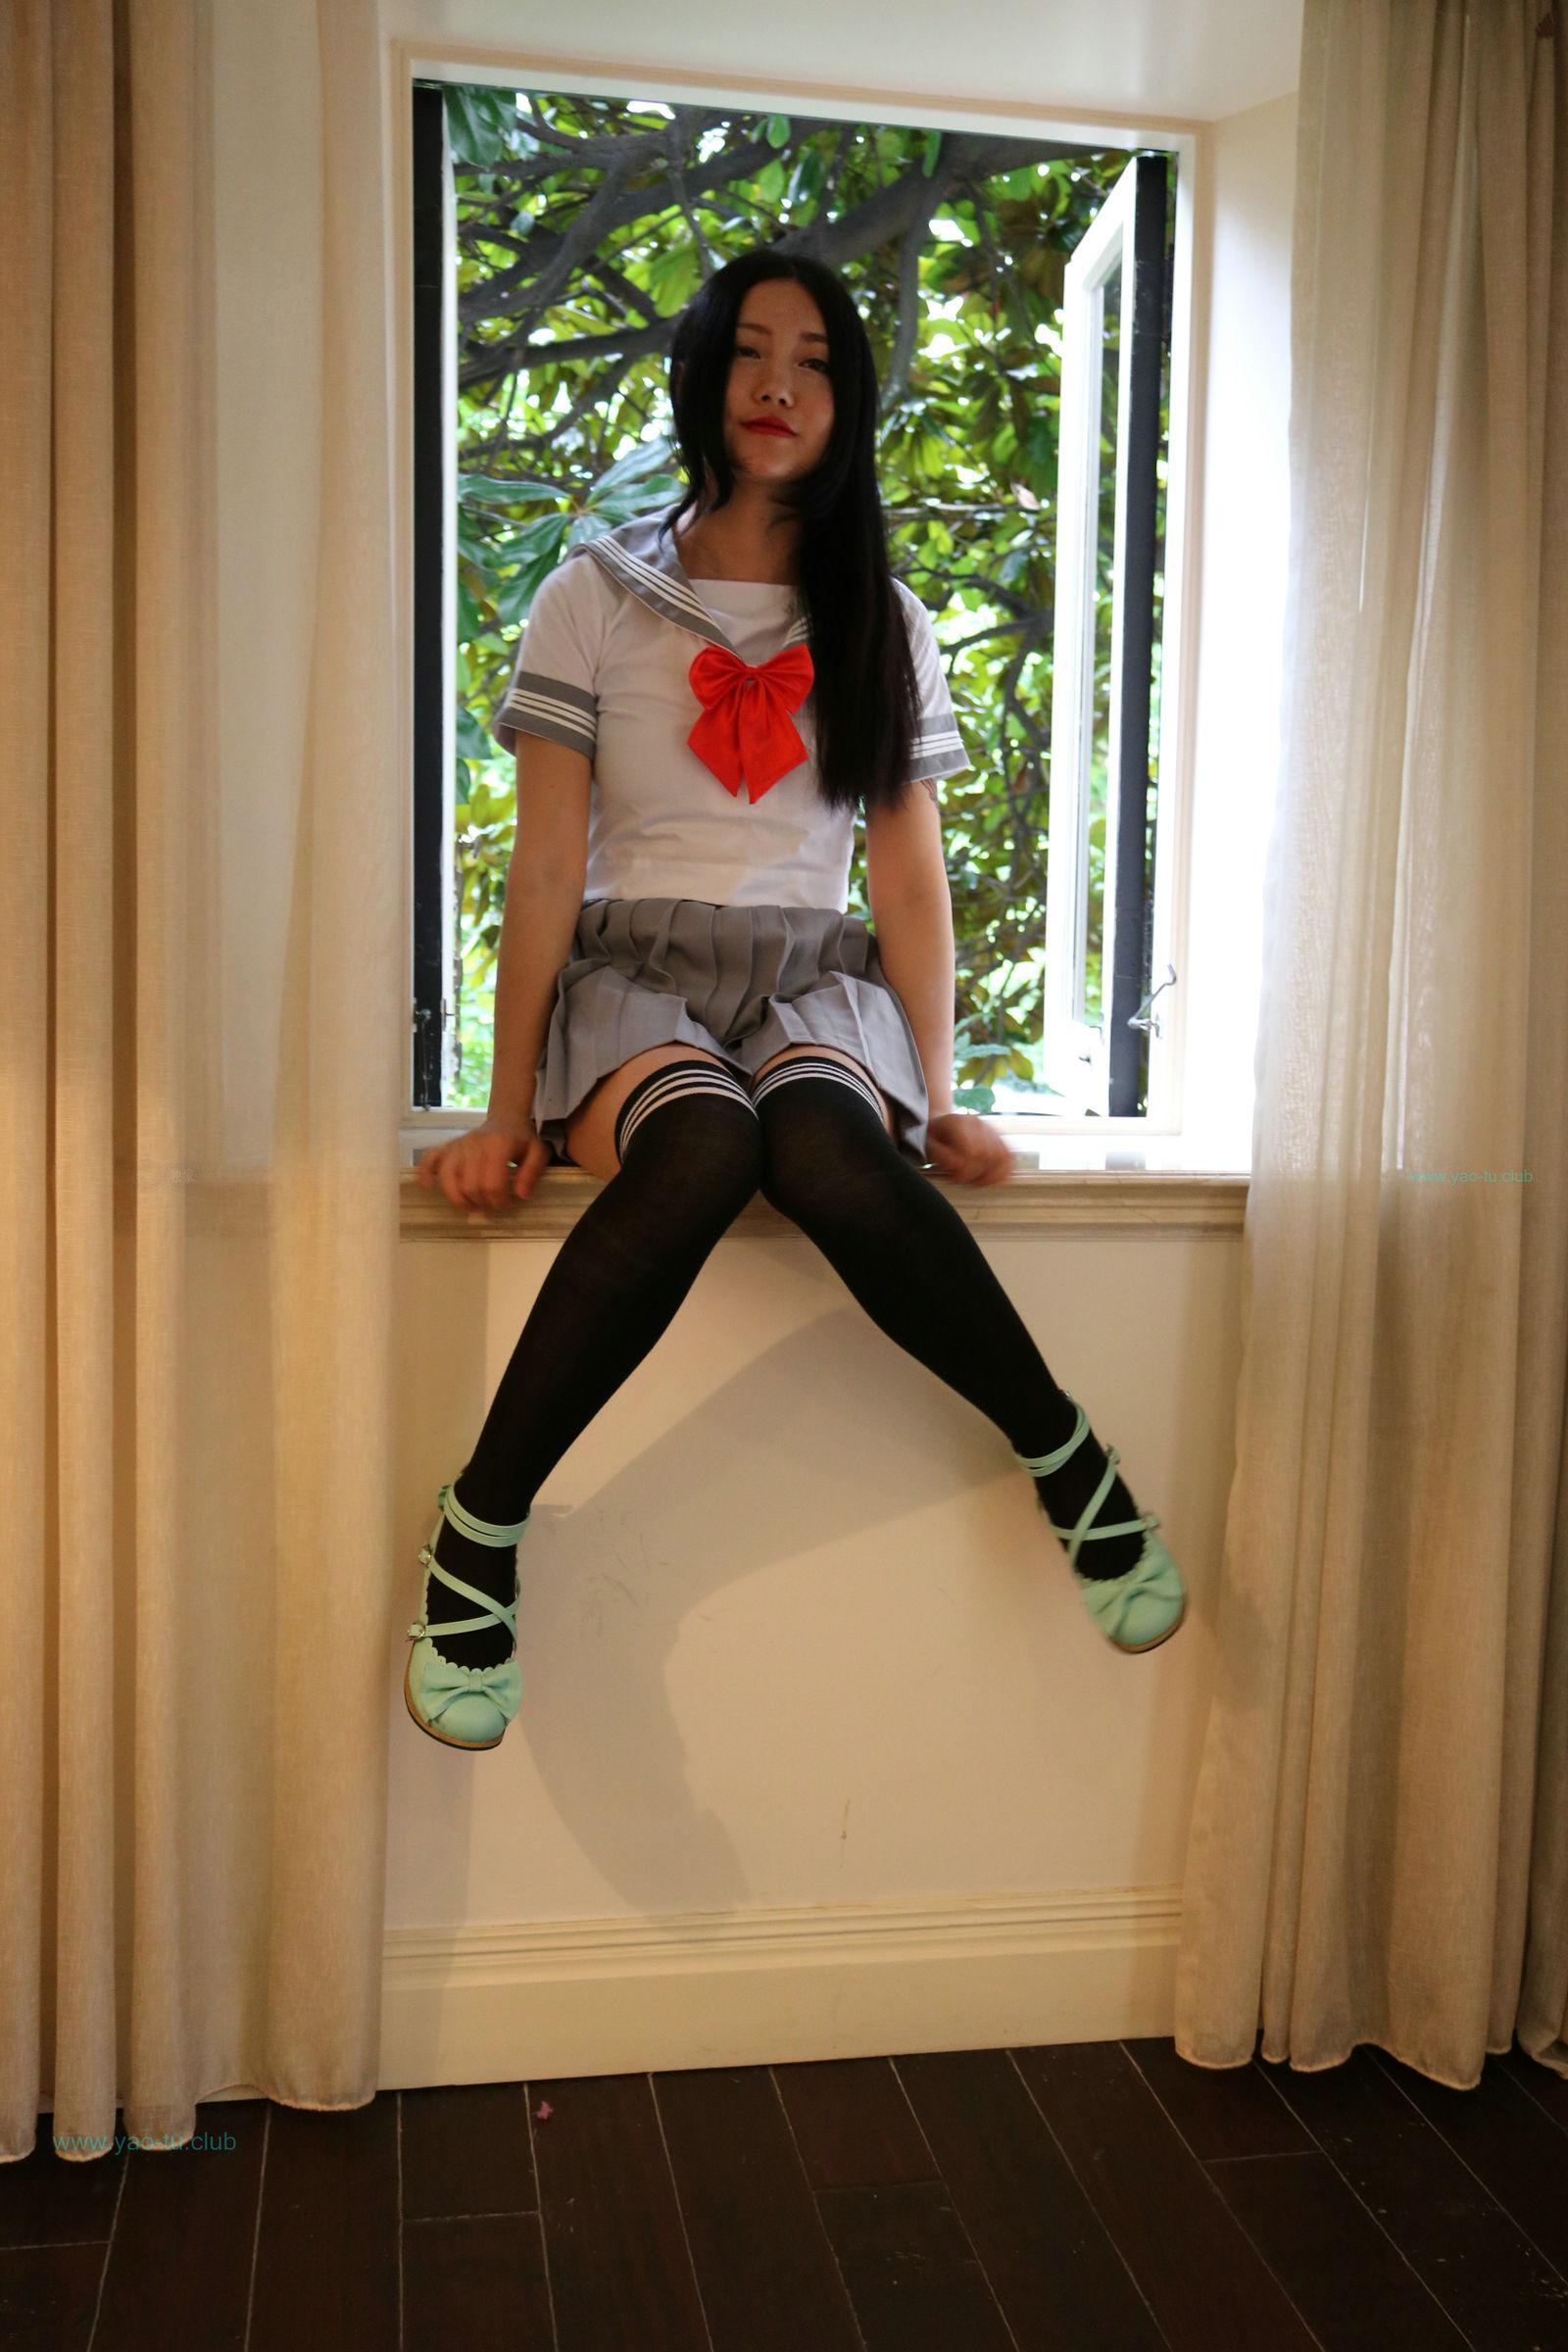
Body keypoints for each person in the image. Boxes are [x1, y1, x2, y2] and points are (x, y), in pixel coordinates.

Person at [409, 248, 1187, 1751]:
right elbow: (546, 865)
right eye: (753, 351)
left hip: (810, 978)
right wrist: (505, 1113)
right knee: (706, 1146)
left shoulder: (879, 619)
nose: (779, 384)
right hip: (638, 977)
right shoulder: (593, 595)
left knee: (828, 1145)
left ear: (848, 401)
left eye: (816, 360)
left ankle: (1062, 1455)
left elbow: (907, 878)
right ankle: (479, 1531)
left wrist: (940, 1096)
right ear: (704, 376)